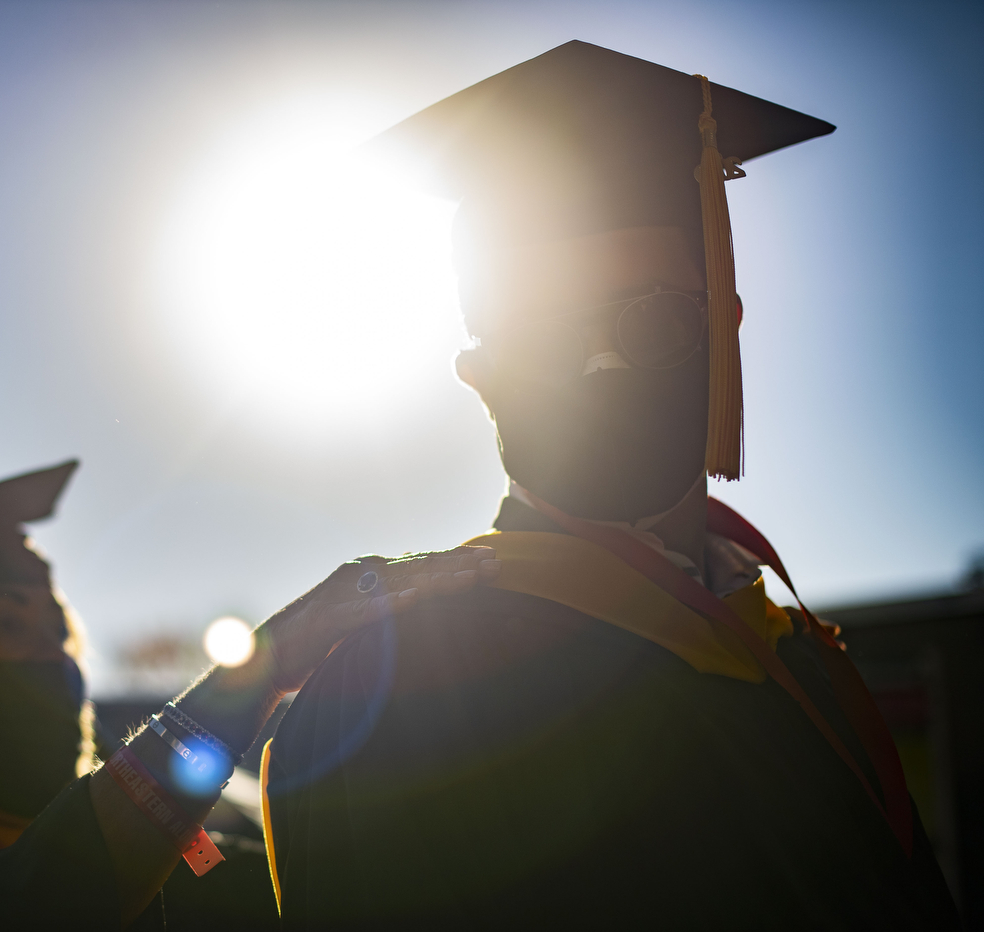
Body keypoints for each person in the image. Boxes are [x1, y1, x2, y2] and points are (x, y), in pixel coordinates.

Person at [260, 41, 961, 929]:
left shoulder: (801, 651)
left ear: (726, 328)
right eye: (547, 343)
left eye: (654, 321)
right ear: (479, 373)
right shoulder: (398, 694)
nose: (601, 369)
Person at [0, 461, 498, 930]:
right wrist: (252, 677)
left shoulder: (148, 858)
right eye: (3, 624)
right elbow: (26, 908)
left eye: (56, 627)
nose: (48, 654)